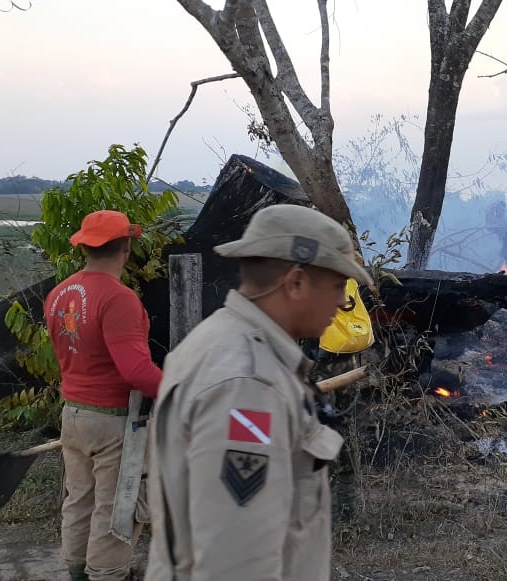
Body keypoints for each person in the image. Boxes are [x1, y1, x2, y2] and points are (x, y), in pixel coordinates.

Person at [145, 204, 374, 581]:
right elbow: (235, 562)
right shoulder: (247, 383)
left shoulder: (223, 342)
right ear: (296, 282)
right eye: (337, 285)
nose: (341, 301)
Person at [45, 210, 163, 581]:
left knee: (79, 500)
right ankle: (108, 574)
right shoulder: (118, 299)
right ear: (126, 246)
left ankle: (77, 571)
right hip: (113, 422)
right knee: (117, 509)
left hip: (74, 416)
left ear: (85, 247)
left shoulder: (60, 293)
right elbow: (136, 371)